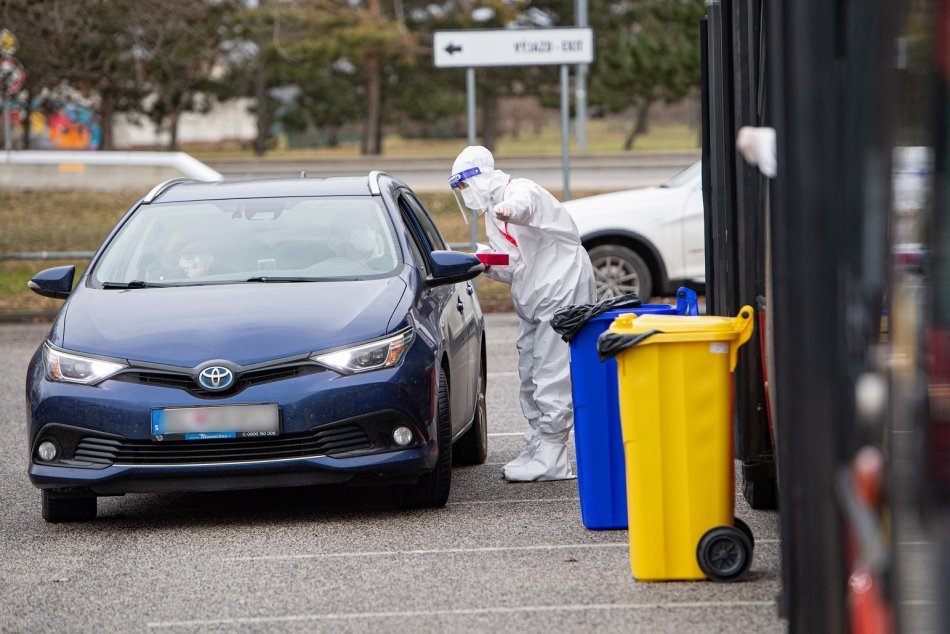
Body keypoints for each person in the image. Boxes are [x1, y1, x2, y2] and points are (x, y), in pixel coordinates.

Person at [449, 145, 596, 482]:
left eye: (465, 185)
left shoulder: (519, 190)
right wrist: (487, 264)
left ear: (480, 177)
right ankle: (538, 443)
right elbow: (517, 263)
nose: (465, 193)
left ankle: (553, 454)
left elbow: (524, 207)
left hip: (560, 286)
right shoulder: (493, 215)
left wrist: (509, 209)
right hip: (536, 294)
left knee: (551, 368)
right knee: (529, 368)